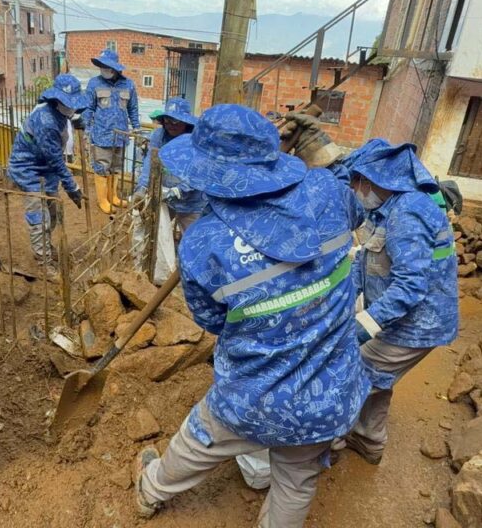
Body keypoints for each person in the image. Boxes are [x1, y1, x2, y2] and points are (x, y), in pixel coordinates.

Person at [132, 105, 382, 528]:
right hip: (327, 395)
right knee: (296, 482)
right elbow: (347, 183)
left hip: (252, 396)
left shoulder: (203, 243)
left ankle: (149, 491)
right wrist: (317, 146)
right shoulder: (327, 193)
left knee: (199, 441)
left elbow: (212, 321)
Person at [282, 112, 459, 465]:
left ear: (376, 181)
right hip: (403, 319)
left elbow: (410, 286)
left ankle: (321, 447)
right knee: (376, 377)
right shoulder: (389, 204)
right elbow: (368, 255)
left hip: (415, 324)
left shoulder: (407, 214)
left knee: (348, 374)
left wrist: (363, 326)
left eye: (359, 182)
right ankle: (369, 441)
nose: (354, 188)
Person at [7, 74, 89, 276]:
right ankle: (42, 261)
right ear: (56, 100)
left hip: (46, 167)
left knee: (53, 213)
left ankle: (45, 244)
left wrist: (75, 119)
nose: (71, 107)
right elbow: (57, 161)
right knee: (39, 214)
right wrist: (73, 188)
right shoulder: (46, 122)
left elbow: (55, 157)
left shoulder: (62, 113)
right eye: (67, 103)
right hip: (28, 167)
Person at [83, 48, 140, 214]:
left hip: (121, 135)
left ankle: (113, 196)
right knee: (102, 167)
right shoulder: (95, 83)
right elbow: (89, 107)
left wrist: (136, 127)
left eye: (107, 66)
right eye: (101, 66)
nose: (104, 70)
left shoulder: (128, 85)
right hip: (101, 134)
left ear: (115, 68)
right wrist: (86, 128)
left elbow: (133, 108)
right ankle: (103, 200)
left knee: (116, 167)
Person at [134, 97, 204, 232]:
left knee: (192, 238)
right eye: (167, 120)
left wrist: (180, 190)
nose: (171, 125)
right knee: (153, 229)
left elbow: (199, 170)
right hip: (166, 195)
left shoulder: (197, 140)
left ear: (185, 121)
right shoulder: (159, 136)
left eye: (175, 121)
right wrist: (142, 187)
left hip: (192, 199)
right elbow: (150, 161)